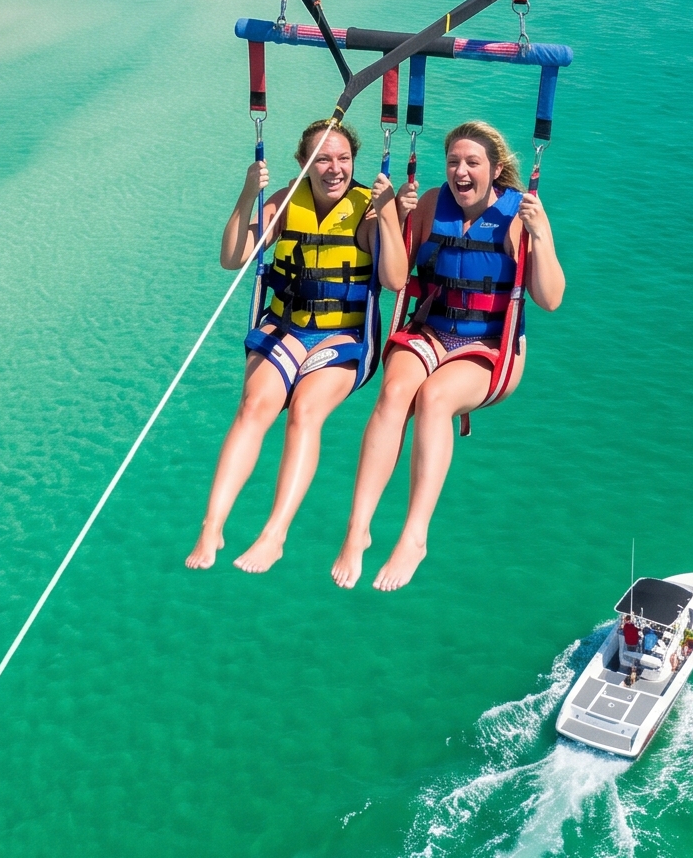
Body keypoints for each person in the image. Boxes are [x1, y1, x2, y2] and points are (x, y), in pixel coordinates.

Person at [332, 120, 565, 591]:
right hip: (431, 330)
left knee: (435, 398)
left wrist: (540, 237)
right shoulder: (432, 203)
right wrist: (392, 218)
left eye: (472, 163)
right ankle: (358, 529)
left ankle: (414, 536)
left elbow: (550, 298)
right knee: (396, 392)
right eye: (454, 161)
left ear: (495, 169)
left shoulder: (521, 213)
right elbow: (396, 280)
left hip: (489, 348)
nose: (461, 171)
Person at [187, 119, 406, 572]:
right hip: (284, 328)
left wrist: (388, 213)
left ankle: (274, 534)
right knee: (253, 406)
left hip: (343, 338)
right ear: (305, 164)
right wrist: (249, 194)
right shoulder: (286, 203)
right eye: (323, 158)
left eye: (343, 158)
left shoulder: (367, 209)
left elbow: (395, 280)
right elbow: (232, 258)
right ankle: (212, 526)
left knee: (306, 410)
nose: (334, 168)